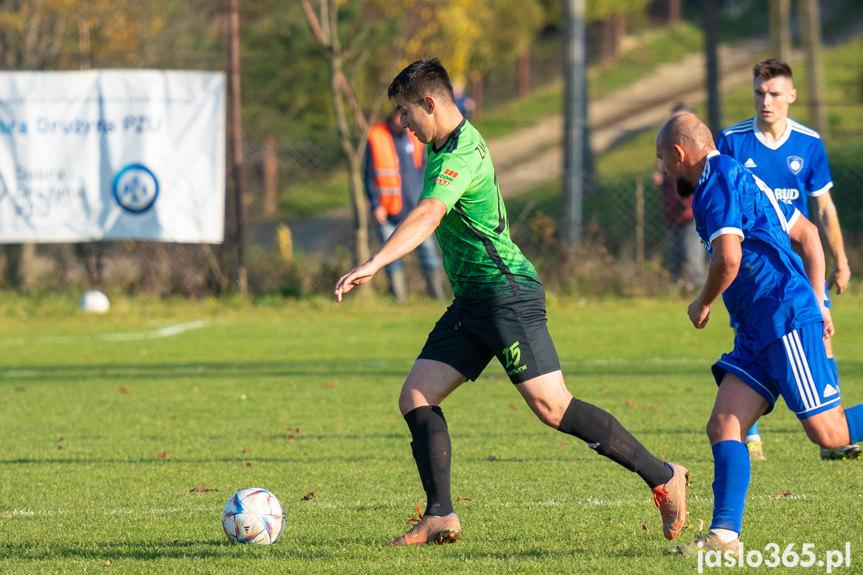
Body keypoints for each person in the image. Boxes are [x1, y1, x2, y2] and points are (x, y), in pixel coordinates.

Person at [336, 58, 690, 547]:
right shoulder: (442, 145)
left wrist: (376, 262)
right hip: (474, 301)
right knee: (416, 396)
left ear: (430, 103)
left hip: (507, 295)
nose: (401, 123)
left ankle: (664, 474)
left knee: (552, 406)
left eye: (404, 111)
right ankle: (439, 514)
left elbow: (429, 214)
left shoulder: (459, 153)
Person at [655, 113, 863, 555]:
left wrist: (703, 302)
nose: (664, 172)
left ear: (679, 154)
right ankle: (724, 536)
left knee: (831, 434)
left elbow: (728, 258)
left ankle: (725, 533)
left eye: (663, 161)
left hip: (782, 318)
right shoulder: (740, 176)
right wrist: (821, 299)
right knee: (724, 424)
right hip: (756, 329)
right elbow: (805, 233)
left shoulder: (715, 184)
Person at [715, 58, 858, 462]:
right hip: (758, 274)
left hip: (803, 271)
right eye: (760, 92)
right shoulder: (733, 141)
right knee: (749, 338)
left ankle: (836, 432)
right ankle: (751, 434)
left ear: (791, 96)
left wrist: (841, 260)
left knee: (824, 340)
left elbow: (823, 209)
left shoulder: (809, 143)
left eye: (775, 93)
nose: (766, 101)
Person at [365, 109, 445, 301]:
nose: (402, 123)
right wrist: (375, 205)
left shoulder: (414, 136)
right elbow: (368, 177)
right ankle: (399, 300)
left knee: (429, 253)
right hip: (388, 212)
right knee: (391, 259)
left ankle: (437, 298)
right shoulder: (376, 136)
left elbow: (424, 168)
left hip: (415, 210)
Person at [653, 102, 707, 293]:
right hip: (671, 215)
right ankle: (677, 294)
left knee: (693, 259)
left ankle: (701, 294)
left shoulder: (700, 153)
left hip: (692, 215)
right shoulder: (666, 150)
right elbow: (660, 173)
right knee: (674, 261)